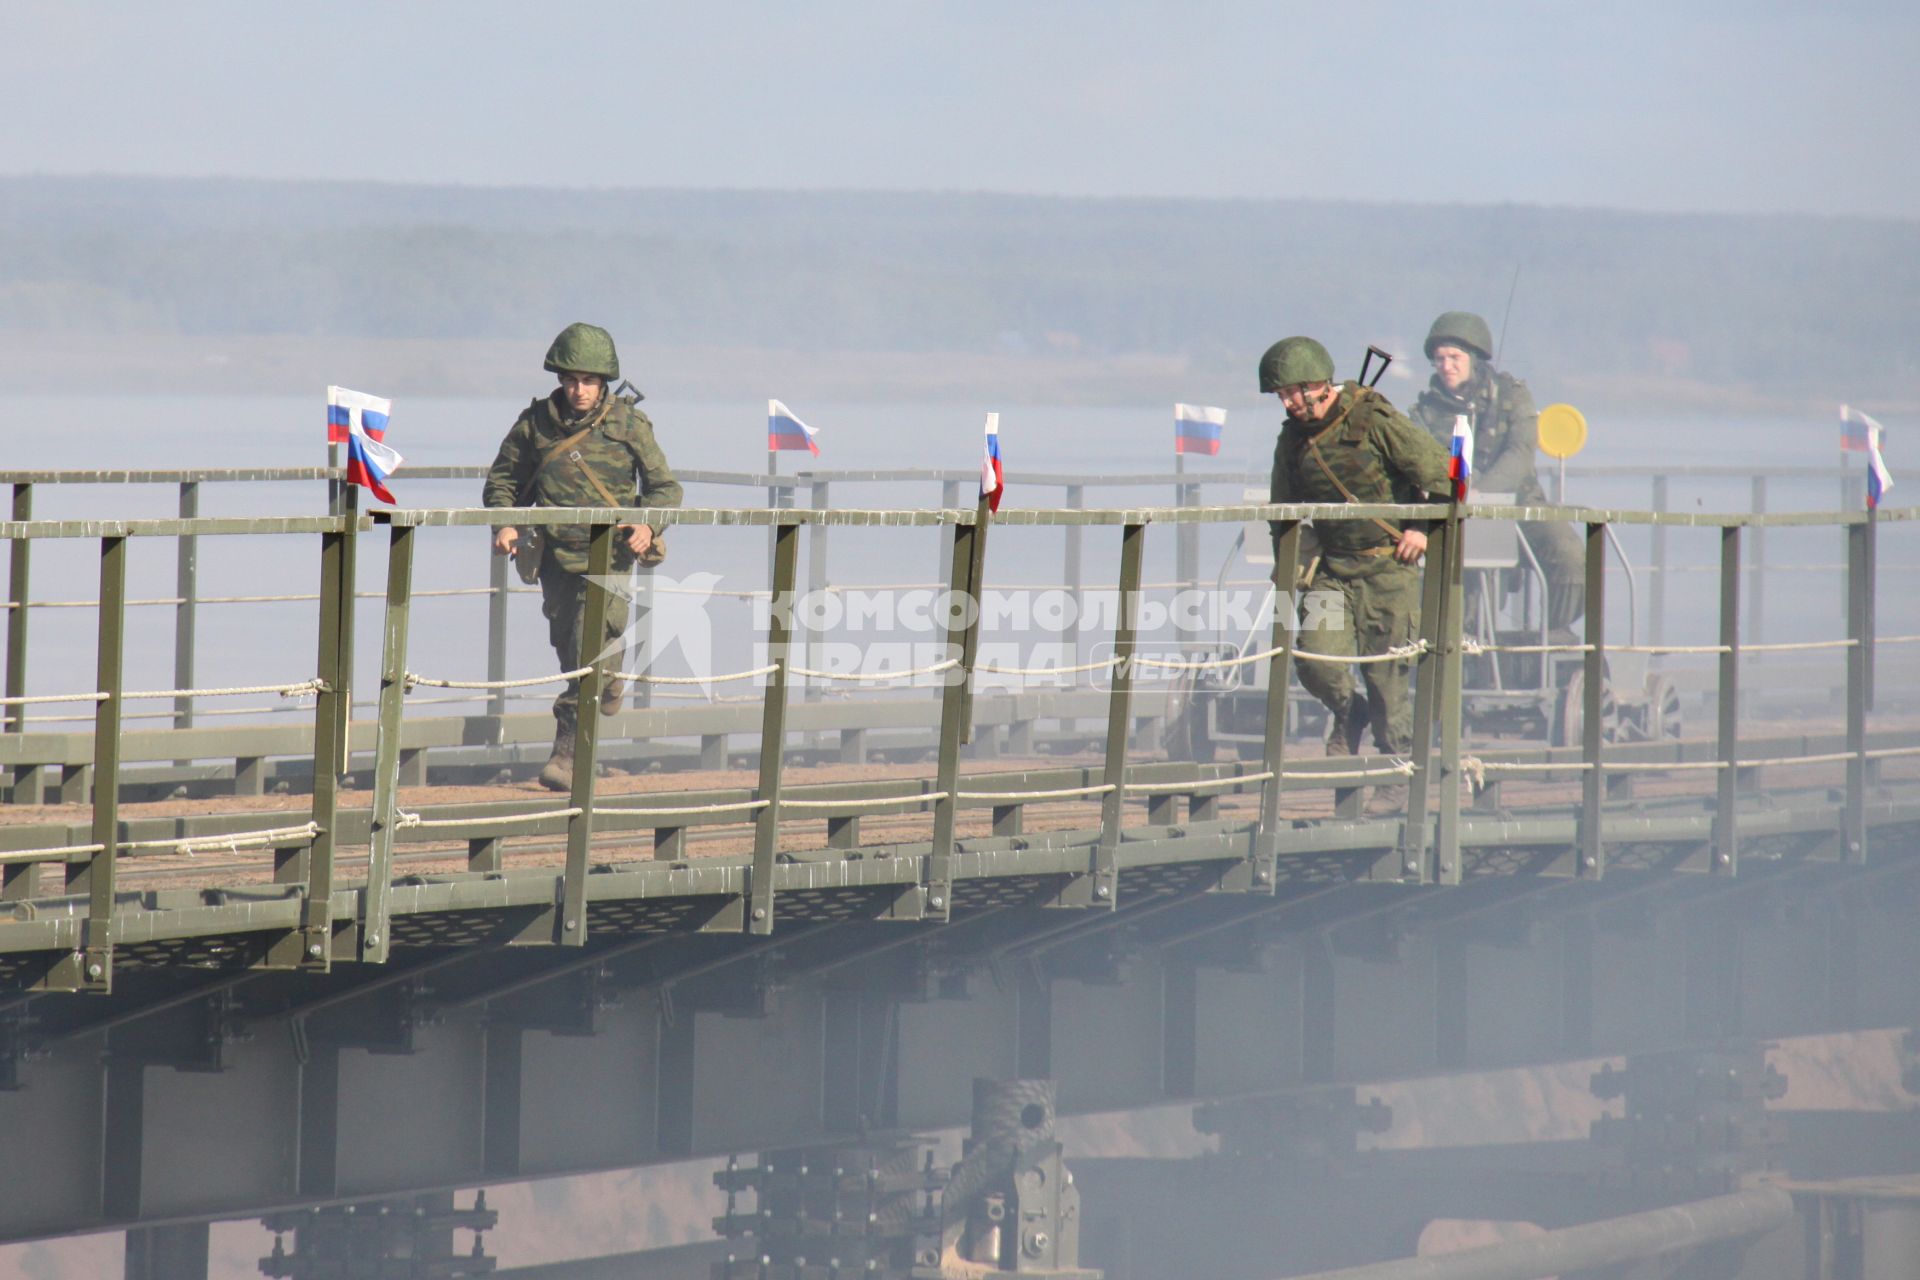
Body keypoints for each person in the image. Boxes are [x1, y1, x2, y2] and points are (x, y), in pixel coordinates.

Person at [484, 323, 683, 791]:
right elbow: (502, 482)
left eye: (589, 381)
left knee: (587, 652)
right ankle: (610, 676)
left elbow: (665, 488)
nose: (579, 390)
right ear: (560, 379)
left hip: (609, 557)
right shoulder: (533, 424)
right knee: (571, 650)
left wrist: (648, 524)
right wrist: (505, 522)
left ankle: (566, 757)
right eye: (572, 379)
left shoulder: (628, 425)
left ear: (604, 382)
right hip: (554, 557)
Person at [1261, 336, 1451, 816]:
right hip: (1333, 571)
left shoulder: (1374, 419)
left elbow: (1442, 476)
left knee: (1389, 684)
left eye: (1290, 393)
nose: (1286, 403)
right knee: (1315, 659)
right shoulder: (1293, 440)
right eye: (1280, 396)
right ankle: (1349, 712)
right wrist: (1285, 568)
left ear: (1317, 386)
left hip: (1391, 568)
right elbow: (1281, 512)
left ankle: (1395, 781)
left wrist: (1421, 527)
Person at [1406, 311, 1585, 633]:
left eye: (1454, 357)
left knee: (1567, 552)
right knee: (1455, 580)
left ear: (1473, 358)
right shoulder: (1425, 413)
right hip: (1451, 513)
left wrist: (1480, 494)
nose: (1446, 366)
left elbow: (1519, 454)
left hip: (1519, 506)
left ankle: (1555, 632)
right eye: (1439, 359)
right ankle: (1454, 638)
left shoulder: (1512, 396)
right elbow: (1418, 464)